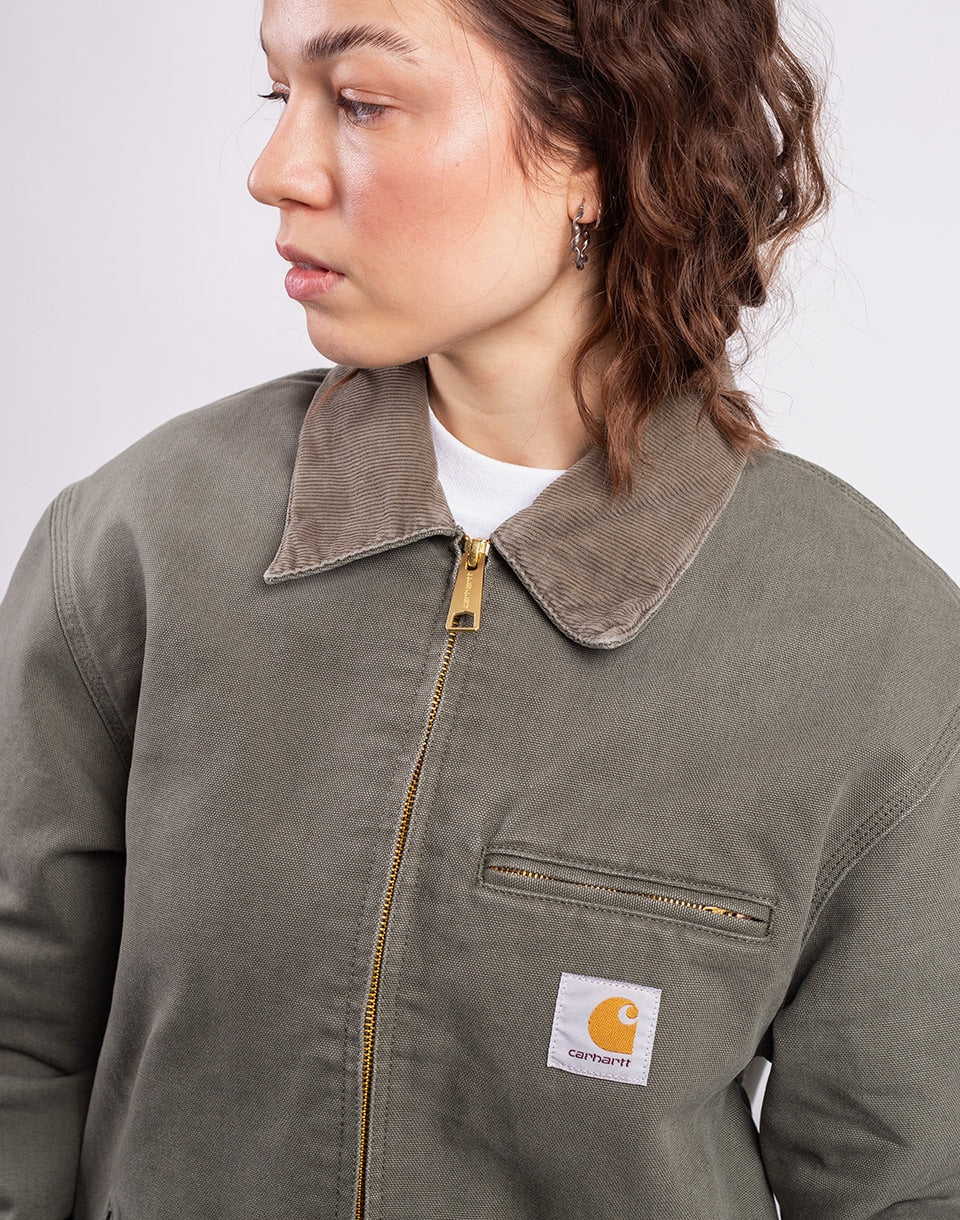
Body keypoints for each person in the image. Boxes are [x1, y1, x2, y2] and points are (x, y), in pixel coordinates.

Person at [1, 0, 958, 1215]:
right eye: (280, 96)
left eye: (360, 102)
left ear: (597, 145)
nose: (275, 169)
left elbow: (908, 1183)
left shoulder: (874, 649)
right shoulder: (138, 543)